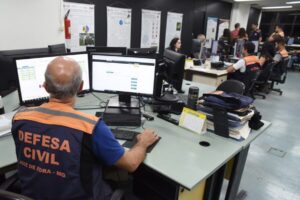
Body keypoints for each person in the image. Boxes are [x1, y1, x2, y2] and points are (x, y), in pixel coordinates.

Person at [11, 57, 159, 200]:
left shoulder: (20, 118)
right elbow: (130, 164)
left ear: (45, 86)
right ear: (81, 87)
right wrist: (142, 142)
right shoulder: (90, 127)